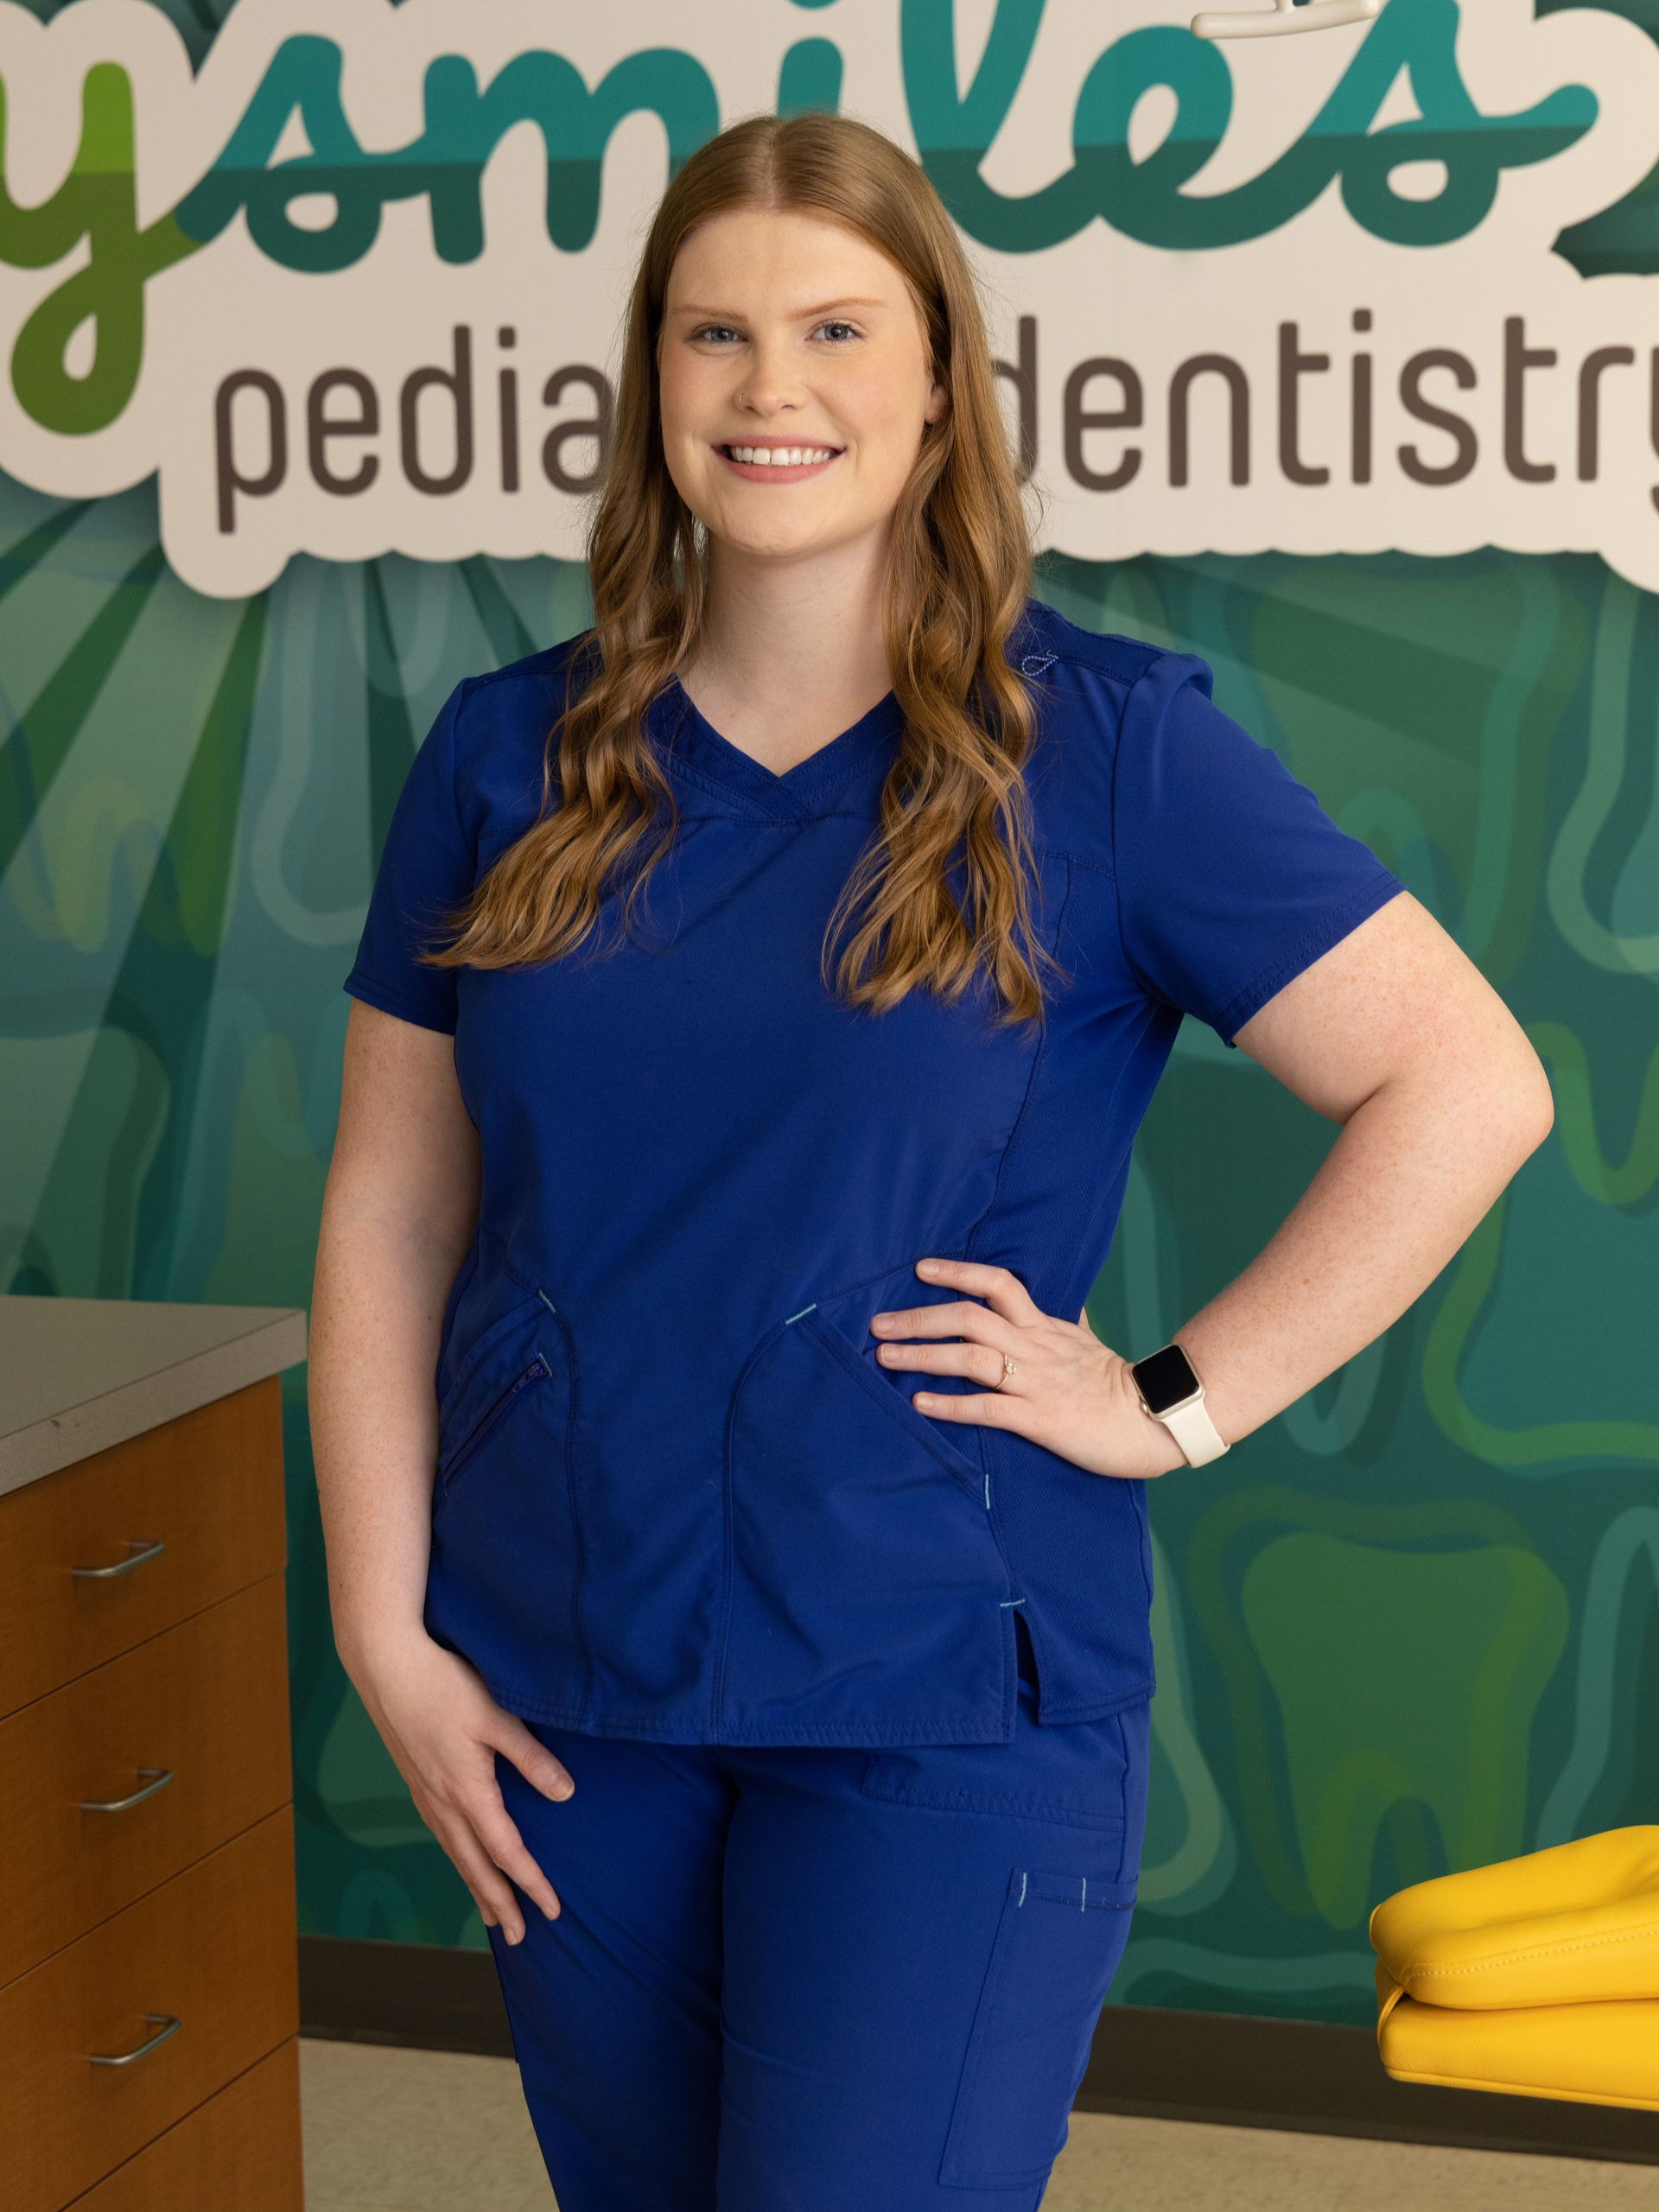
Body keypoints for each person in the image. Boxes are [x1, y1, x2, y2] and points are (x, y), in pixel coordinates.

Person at [309, 109, 1554, 2212]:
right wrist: (382, 1631)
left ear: (938, 382)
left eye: (832, 330)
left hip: (940, 1692)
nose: (769, 389)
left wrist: (1173, 1400)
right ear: (652, 381)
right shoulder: (504, 757)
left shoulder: (1112, 752)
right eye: (713, 335)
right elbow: (392, 1207)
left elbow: (1466, 1080)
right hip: (562, 1686)